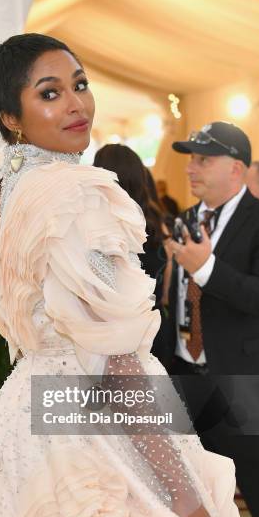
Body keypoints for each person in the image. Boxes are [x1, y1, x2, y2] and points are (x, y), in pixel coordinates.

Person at [0, 34, 259, 517]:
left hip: (30, 409)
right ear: (10, 116)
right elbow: (115, 361)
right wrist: (181, 492)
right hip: (95, 418)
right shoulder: (77, 193)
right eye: (50, 93)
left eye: (80, 85)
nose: (77, 104)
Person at [167, 121, 259, 517]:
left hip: (250, 385)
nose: (191, 168)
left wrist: (206, 268)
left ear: (236, 168)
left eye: (203, 159)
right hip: (188, 385)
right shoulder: (187, 218)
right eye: (190, 158)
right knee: (202, 510)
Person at [93, 143, 173, 367]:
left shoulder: (97, 228)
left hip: (115, 336)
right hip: (155, 329)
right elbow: (166, 290)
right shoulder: (158, 225)